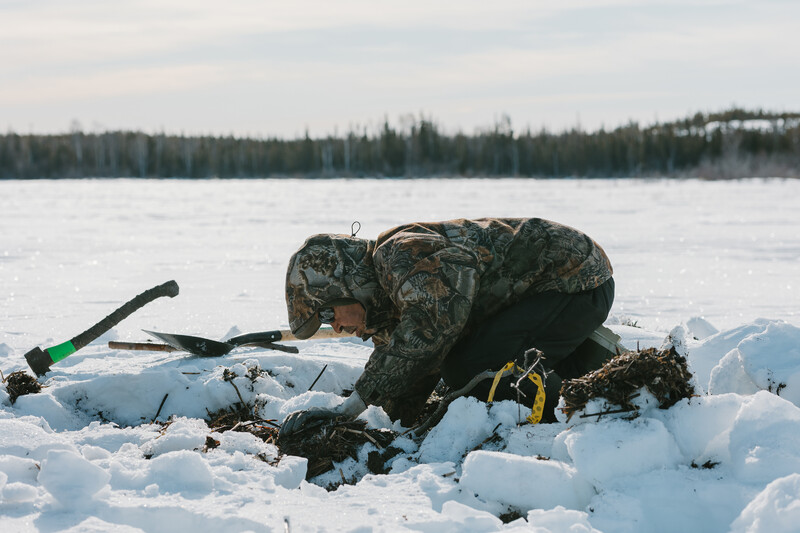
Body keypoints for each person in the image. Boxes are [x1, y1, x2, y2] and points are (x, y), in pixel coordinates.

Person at [279, 217, 616, 436]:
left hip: (576, 281)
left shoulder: (400, 256)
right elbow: (412, 371)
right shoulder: (391, 303)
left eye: (328, 314)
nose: (335, 328)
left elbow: (434, 326)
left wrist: (351, 408)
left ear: (344, 284)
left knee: (469, 368)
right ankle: (599, 378)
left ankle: (579, 426)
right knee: (465, 365)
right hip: (546, 298)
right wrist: (381, 427)